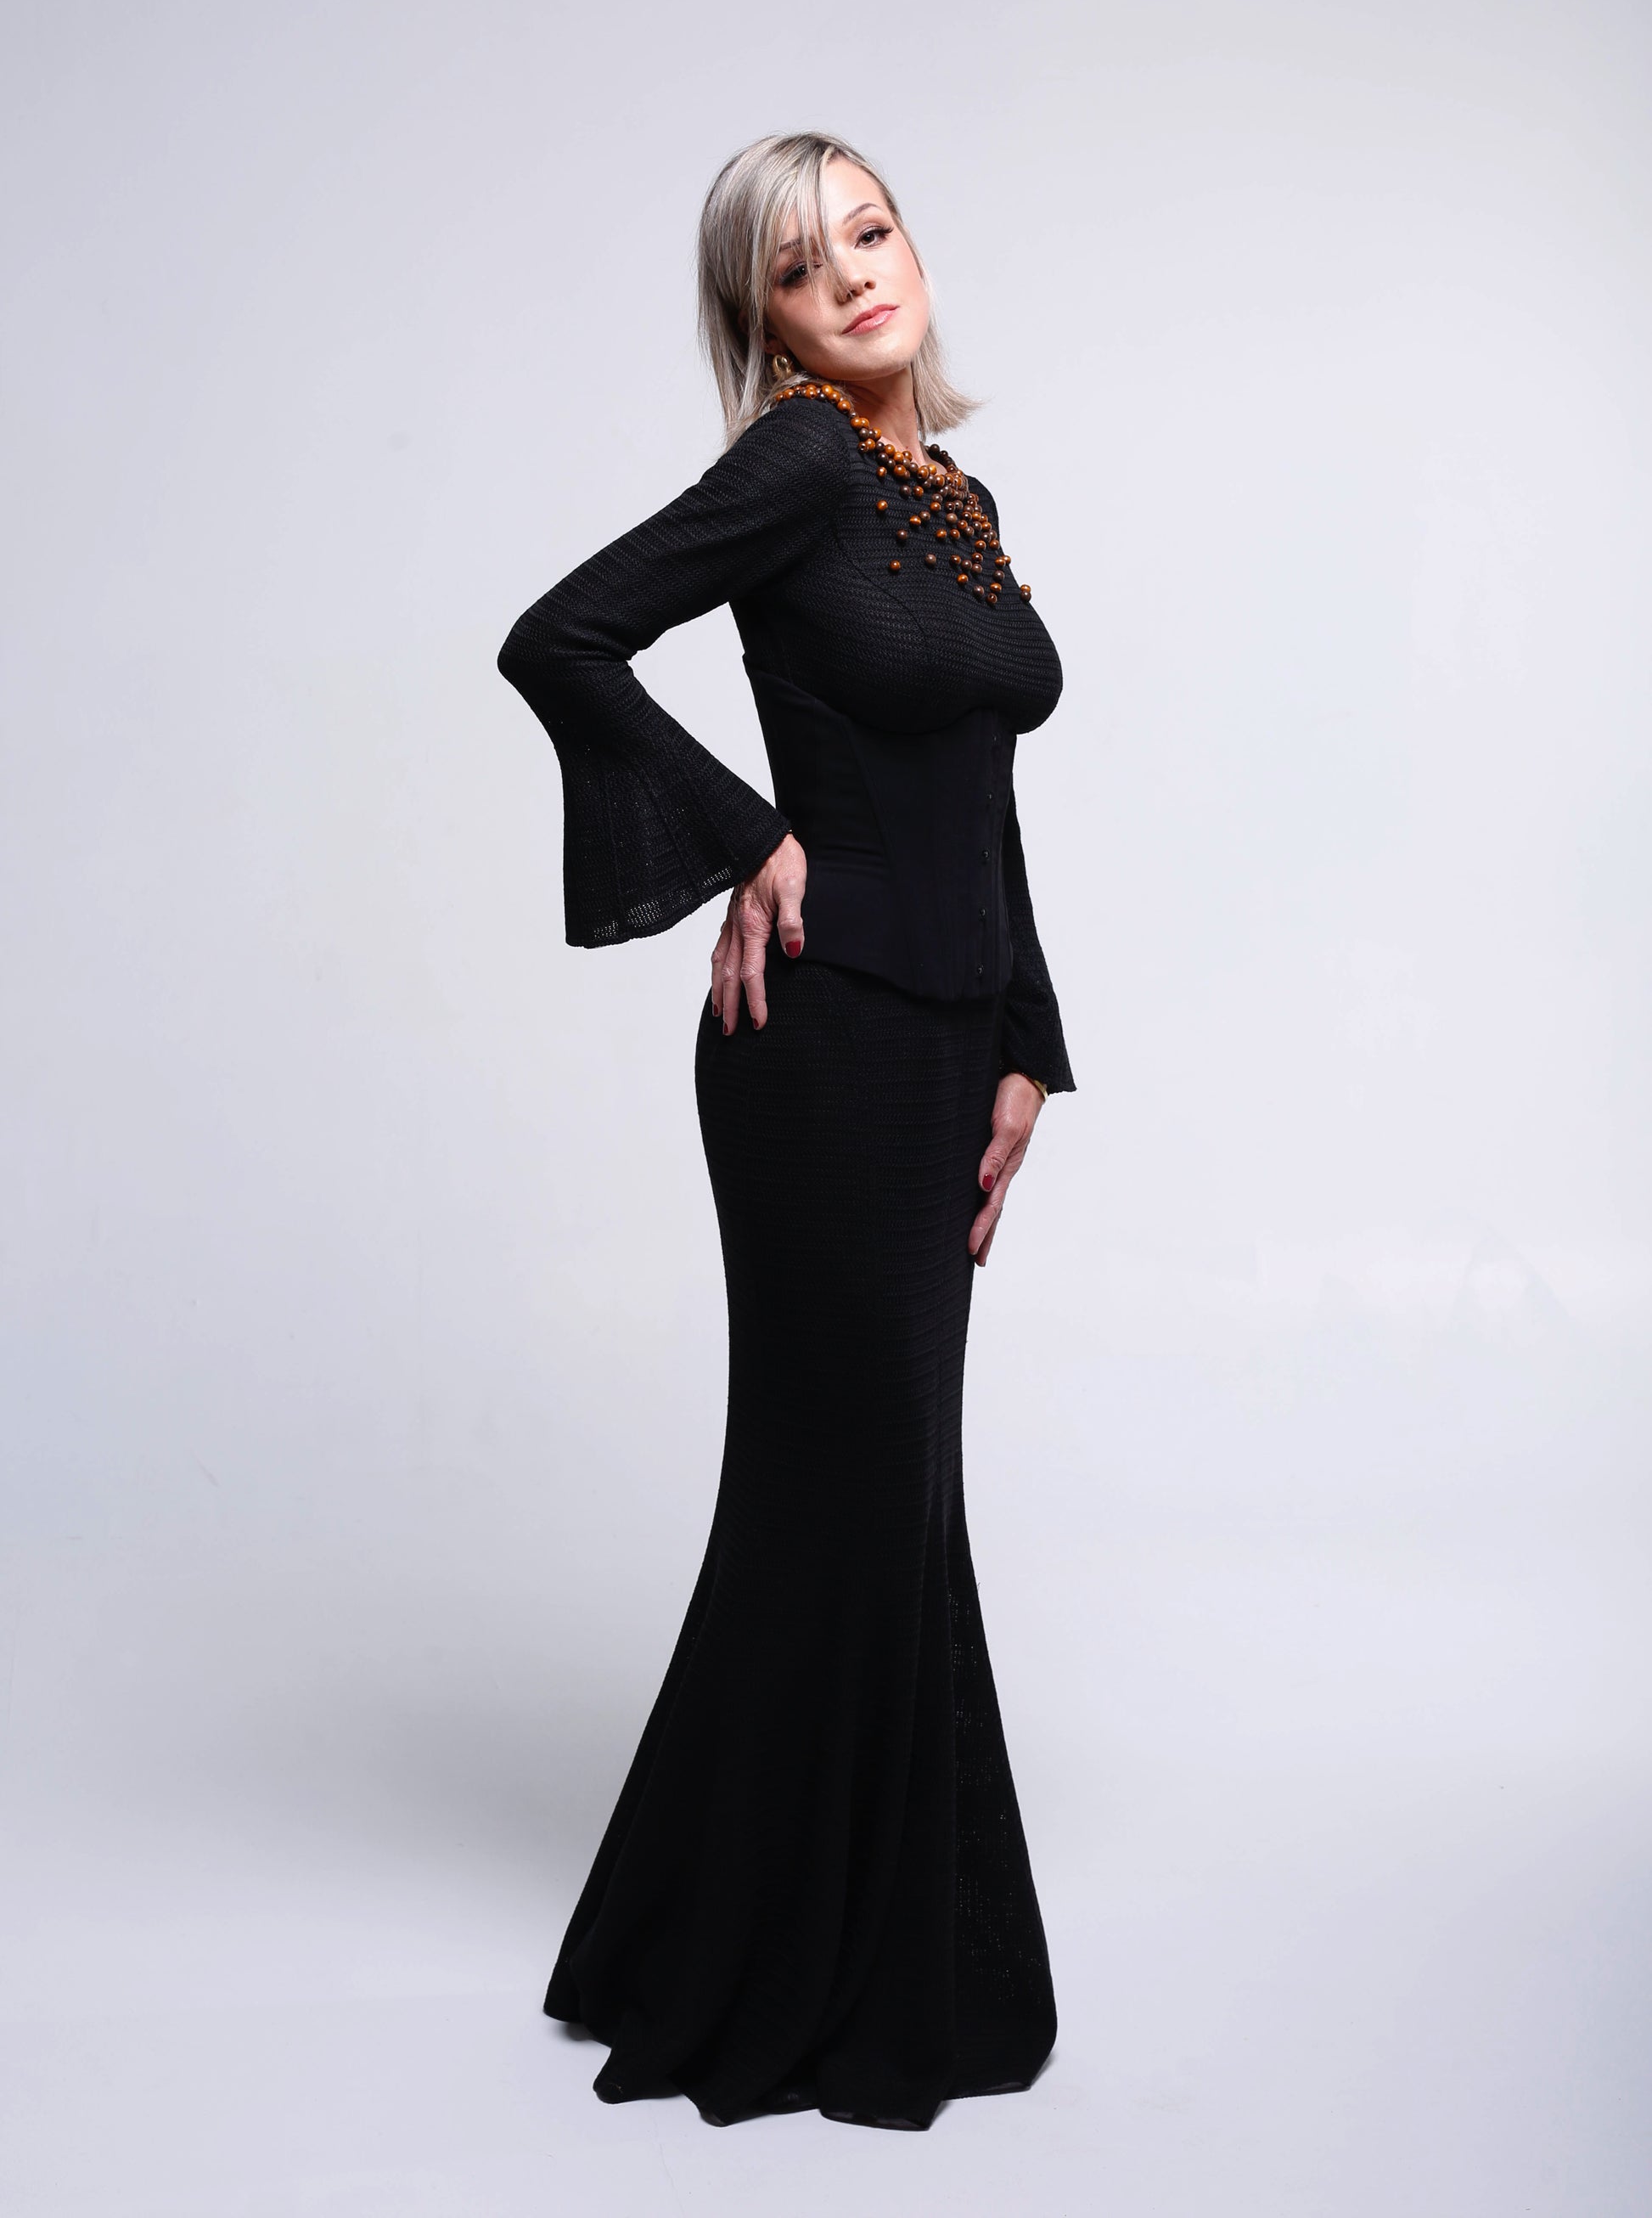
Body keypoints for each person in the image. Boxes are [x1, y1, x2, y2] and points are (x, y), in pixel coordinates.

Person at [497, 132, 1075, 2131]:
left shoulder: (957, 498)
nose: (851, 275)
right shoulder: (806, 459)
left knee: (885, 1493)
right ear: (764, 316)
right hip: (820, 1046)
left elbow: (981, 792)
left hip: (947, 1040)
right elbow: (559, 634)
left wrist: (1029, 1047)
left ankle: (733, 1919)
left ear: (911, 242)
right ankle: (777, 1966)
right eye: (798, 263)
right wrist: (749, 839)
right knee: (852, 1485)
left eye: (869, 230)